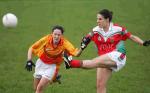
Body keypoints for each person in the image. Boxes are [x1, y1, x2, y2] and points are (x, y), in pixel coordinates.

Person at [63, 9, 150, 93]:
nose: (97, 21)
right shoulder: (95, 30)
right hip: (104, 57)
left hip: (118, 55)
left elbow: (132, 37)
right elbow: (85, 41)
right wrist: (78, 52)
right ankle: (71, 63)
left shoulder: (118, 29)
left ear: (107, 19)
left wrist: (143, 43)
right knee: (100, 85)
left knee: (94, 62)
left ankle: (71, 63)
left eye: (100, 19)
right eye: (97, 19)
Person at [25, 25, 83, 93]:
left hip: (52, 67)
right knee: (35, 88)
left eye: (59, 35)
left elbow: (76, 53)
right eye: (55, 34)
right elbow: (32, 48)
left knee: (39, 88)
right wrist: (29, 60)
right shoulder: (46, 39)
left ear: (62, 36)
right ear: (52, 34)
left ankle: (53, 76)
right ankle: (54, 78)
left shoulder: (65, 43)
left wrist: (82, 47)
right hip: (40, 63)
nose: (56, 36)